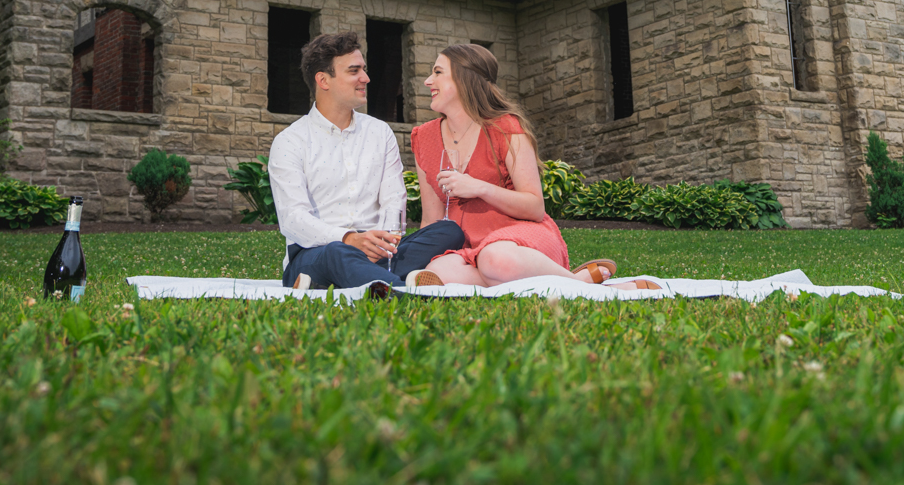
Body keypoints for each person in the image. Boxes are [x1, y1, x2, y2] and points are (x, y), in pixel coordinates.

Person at [405, 43, 655, 290]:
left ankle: (582, 286)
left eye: (438, 72)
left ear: (464, 79)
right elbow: (432, 220)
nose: (428, 81)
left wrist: (479, 188)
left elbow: (535, 207)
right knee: (435, 272)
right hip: (468, 249)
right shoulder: (424, 138)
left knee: (495, 259)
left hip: (519, 238)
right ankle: (564, 281)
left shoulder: (506, 127)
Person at [270, 31, 465, 294]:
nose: (366, 78)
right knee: (337, 253)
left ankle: (342, 282)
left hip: (379, 251)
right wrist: (350, 239)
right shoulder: (290, 141)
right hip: (316, 253)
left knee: (449, 231)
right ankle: (403, 291)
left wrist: (380, 243)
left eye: (364, 69)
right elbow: (293, 219)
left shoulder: (380, 132)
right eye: (354, 71)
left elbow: (394, 198)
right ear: (323, 80)